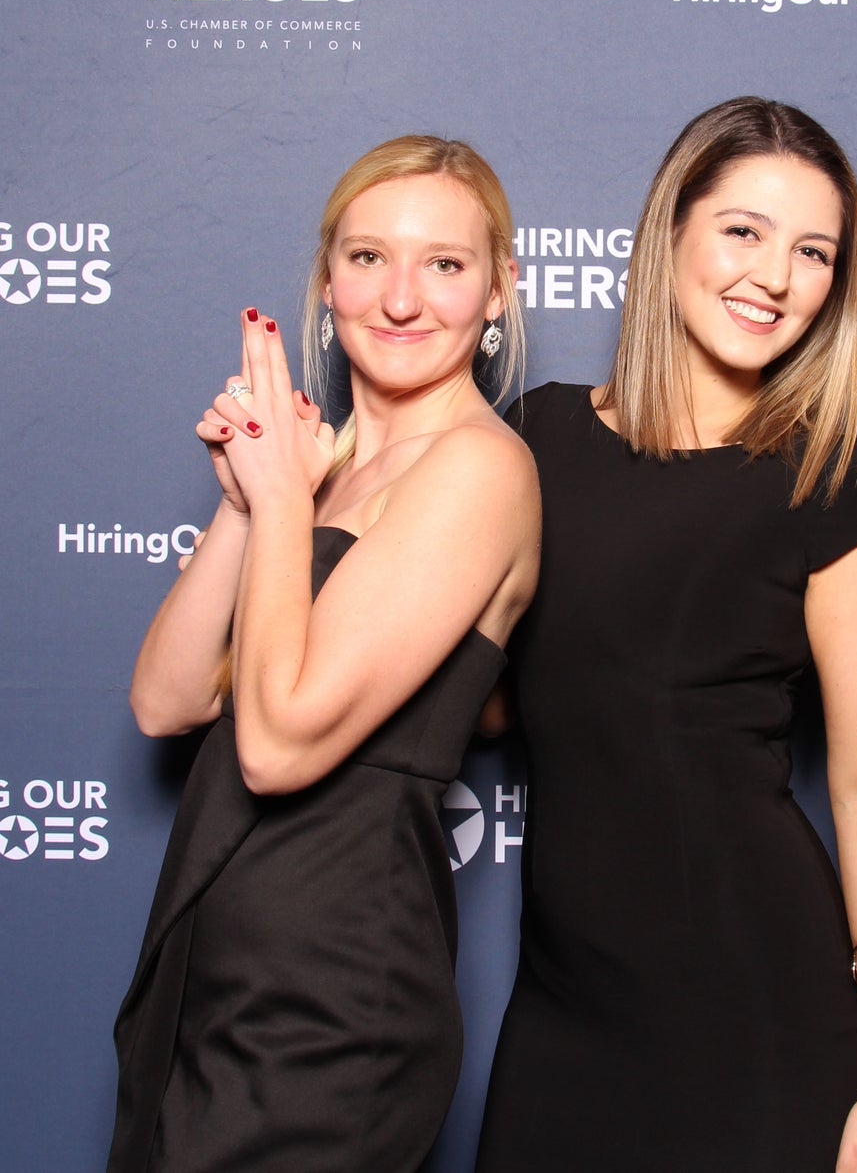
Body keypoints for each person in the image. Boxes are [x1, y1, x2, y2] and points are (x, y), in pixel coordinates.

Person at [474, 97, 857, 1173]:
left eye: (813, 252)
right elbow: (480, 699)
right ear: (671, 229)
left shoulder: (832, 484)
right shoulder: (531, 440)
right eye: (743, 231)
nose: (774, 275)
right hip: (565, 1010)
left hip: (760, 1010)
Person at [107, 136, 541, 1173]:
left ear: (496, 292)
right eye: (365, 258)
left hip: (332, 988)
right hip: (215, 957)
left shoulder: (480, 468)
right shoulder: (328, 464)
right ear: (326, 280)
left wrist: (285, 498)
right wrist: (247, 502)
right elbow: (166, 703)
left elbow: (278, 745)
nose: (400, 299)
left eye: (444, 264)